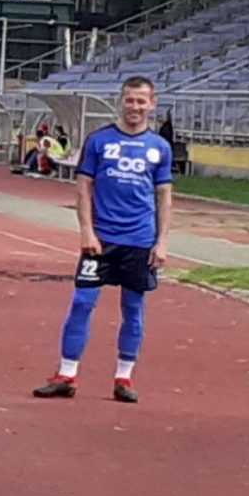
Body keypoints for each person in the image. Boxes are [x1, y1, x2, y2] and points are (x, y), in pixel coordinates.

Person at [34, 77, 173, 404]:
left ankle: (123, 378)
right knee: (82, 302)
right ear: (121, 102)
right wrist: (87, 231)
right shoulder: (99, 141)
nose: (135, 107)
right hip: (101, 239)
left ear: (152, 104)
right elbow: (83, 188)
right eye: (130, 100)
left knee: (133, 307)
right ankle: (67, 374)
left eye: (141, 101)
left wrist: (162, 241)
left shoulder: (160, 148)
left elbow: (164, 196)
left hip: (139, 240)